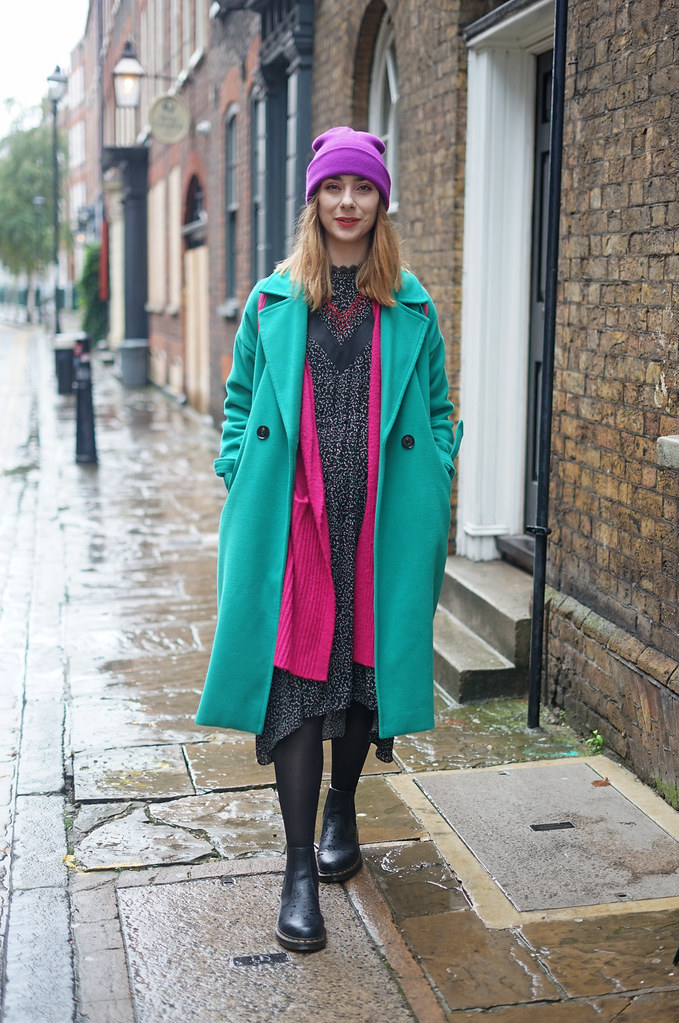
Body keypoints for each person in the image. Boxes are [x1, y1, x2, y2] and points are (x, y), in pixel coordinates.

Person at [196, 126, 462, 952]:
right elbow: (240, 401)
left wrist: (436, 476)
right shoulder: (273, 299)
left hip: (378, 518)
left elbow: (440, 410)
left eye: (363, 190)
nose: (348, 204)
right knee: (296, 685)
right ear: (313, 200)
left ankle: (344, 804)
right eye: (333, 189)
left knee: (358, 680)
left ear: (380, 202)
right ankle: (298, 868)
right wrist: (238, 467)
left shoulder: (408, 302)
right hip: (294, 519)